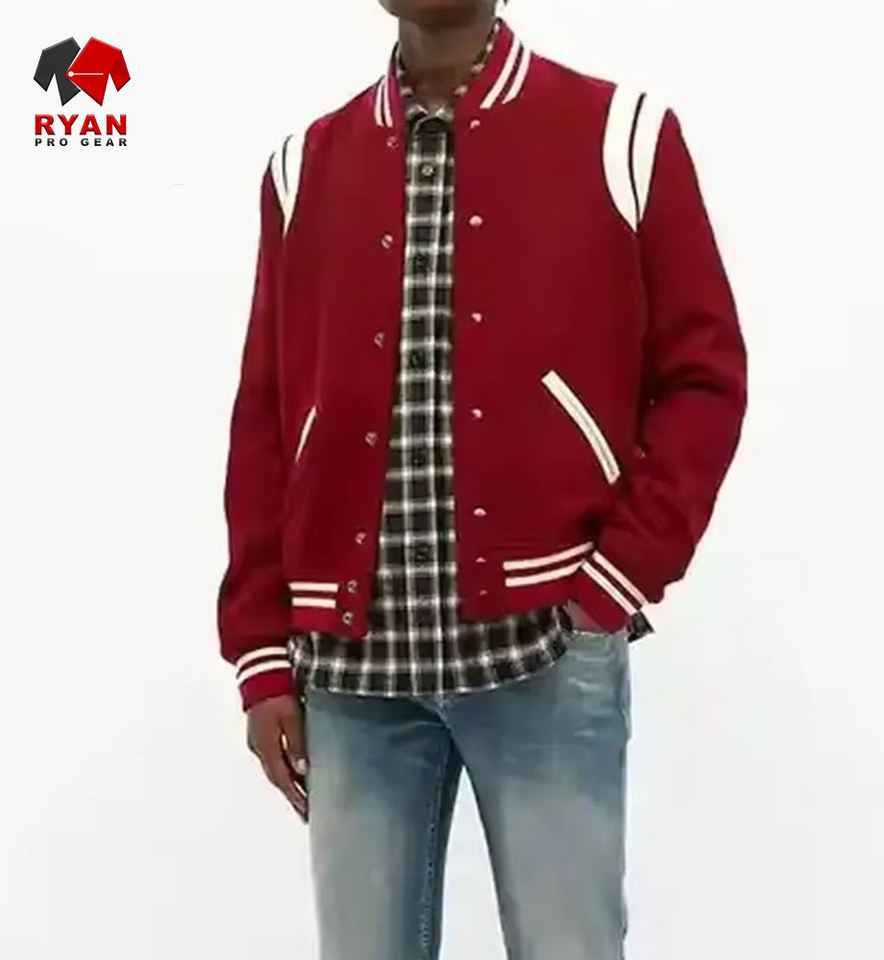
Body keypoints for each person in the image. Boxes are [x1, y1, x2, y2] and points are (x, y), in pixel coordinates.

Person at [216, 1, 747, 956]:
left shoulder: (622, 134)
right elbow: (265, 419)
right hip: (350, 672)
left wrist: (616, 578)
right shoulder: (303, 167)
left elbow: (705, 378)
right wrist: (260, 649)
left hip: (545, 646)